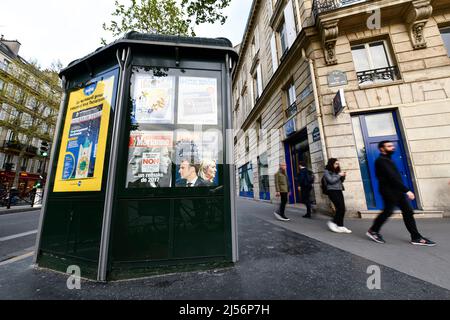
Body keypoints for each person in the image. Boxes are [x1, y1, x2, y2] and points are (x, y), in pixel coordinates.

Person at [366, 141, 436, 246]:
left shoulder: (388, 160)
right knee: (388, 212)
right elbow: (392, 178)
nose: (392, 147)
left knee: (407, 211)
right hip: (389, 191)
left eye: (392, 145)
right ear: (382, 149)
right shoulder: (381, 161)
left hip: (396, 191)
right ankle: (373, 231)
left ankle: (416, 237)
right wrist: (406, 190)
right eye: (389, 146)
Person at [324, 158, 352, 234]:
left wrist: (343, 176)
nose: (337, 165)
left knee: (343, 208)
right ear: (331, 164)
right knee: (339, 207)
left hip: (339, 190)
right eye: (336, 163)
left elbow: (340, 181)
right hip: (332, 191)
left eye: (338, 164)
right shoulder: (326, 171)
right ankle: (332, 222)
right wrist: (339, 175)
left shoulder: (337, 171)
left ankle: (341, 226)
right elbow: (331, 181)